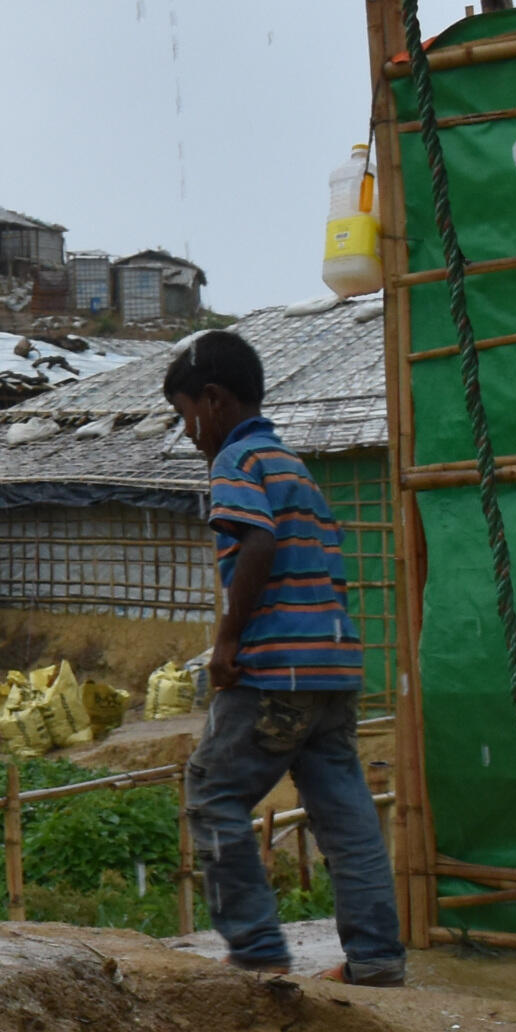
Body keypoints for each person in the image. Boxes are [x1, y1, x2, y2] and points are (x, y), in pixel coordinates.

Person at [162, 327, 405, 987]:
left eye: (186, 415)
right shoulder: (295, 466)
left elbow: (259, 544)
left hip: (275, 670)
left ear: (213, 400)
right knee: (345, 810)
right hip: (333, 668)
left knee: (212, 793)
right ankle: (377, 956)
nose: (188, 433)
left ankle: (257, 951)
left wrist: (228, 639)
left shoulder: (236, 461)